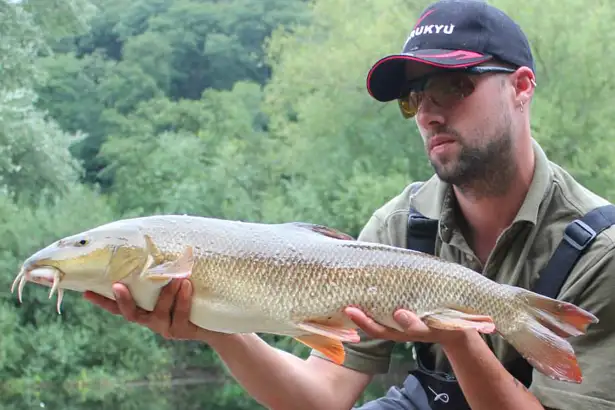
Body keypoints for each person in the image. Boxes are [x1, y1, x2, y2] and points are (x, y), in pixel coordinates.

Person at [84, 1, 615, 409]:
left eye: (453, 86)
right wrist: (211, 326)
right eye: (414, 97)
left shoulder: (600, 250)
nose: (427, 113)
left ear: (521, 88)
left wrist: (457, 337)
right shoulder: (398, 225)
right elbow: (322, 395)